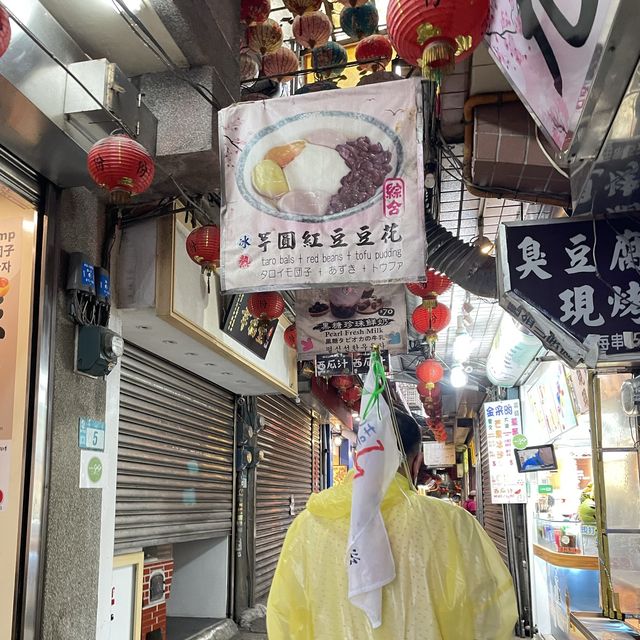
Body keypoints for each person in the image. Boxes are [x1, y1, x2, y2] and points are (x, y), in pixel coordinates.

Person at [267, 410, 518, 639]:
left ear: (358, 456)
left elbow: (285, 619)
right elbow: (487, 614)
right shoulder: (452, 523)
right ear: (416, 461)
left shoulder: (308, 525)